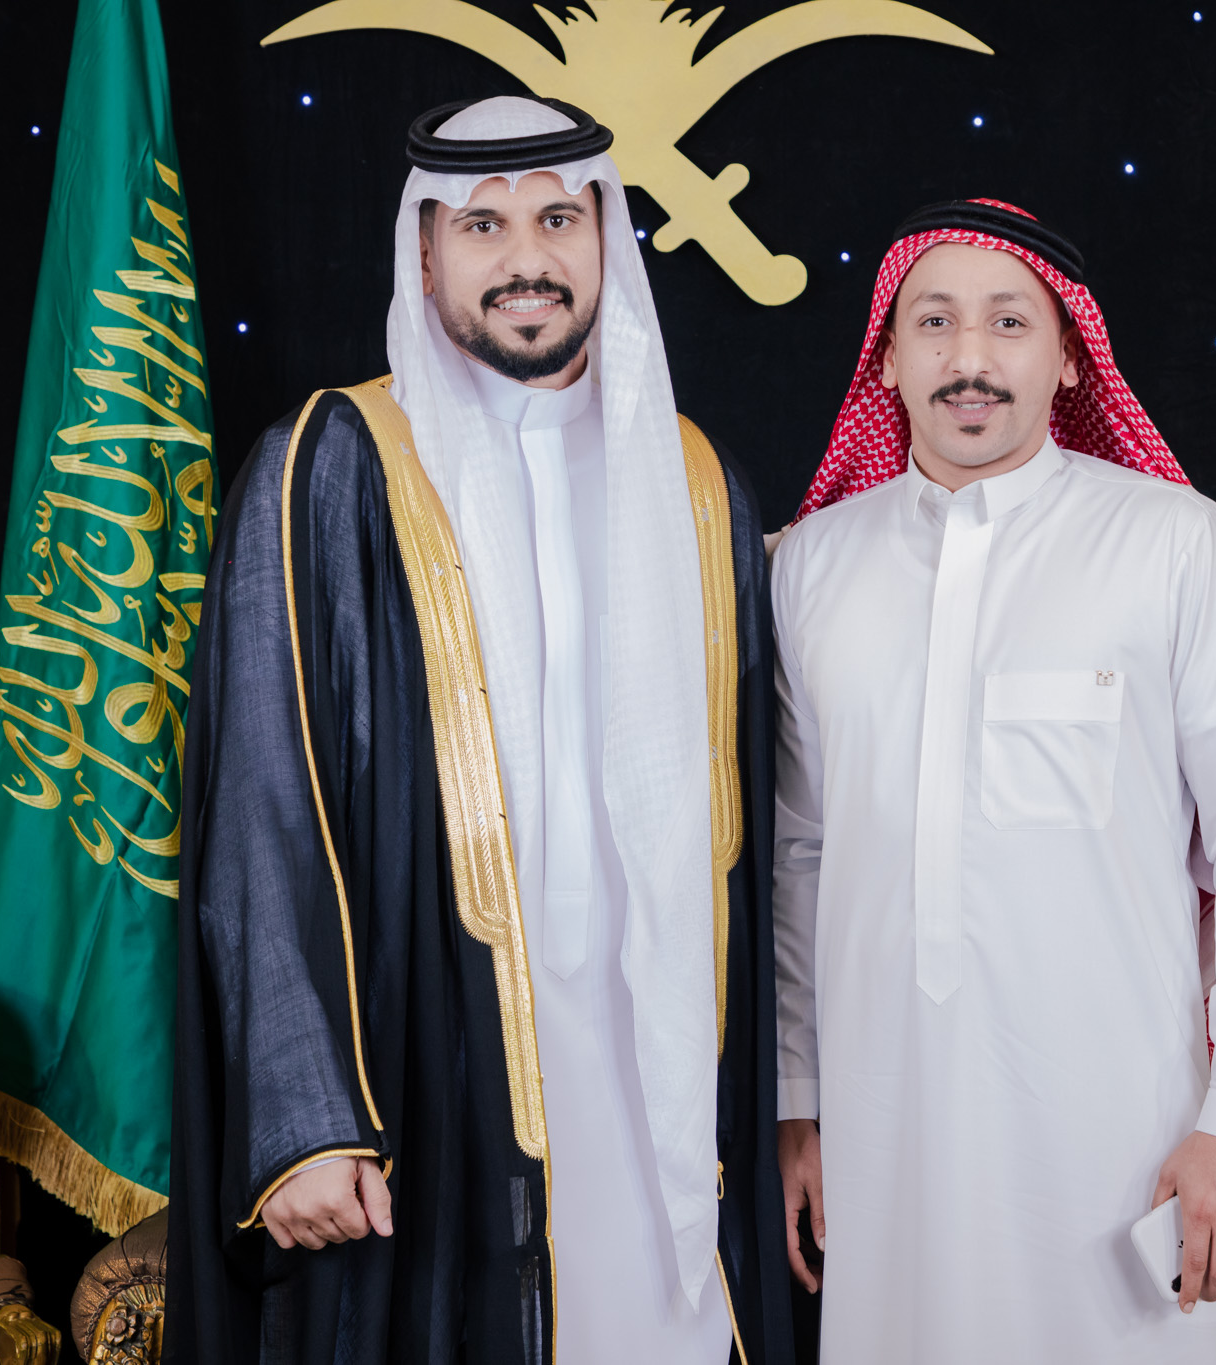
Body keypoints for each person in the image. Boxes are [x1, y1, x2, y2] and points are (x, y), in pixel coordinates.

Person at [167, 95, 790, 1365]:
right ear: (424, 252)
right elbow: (262, 801)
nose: (525, 260)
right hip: (425, 1046)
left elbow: (762, 823)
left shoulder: (692, 476)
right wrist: (305, 1113)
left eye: (559, 220)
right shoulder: (333, 460)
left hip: (661, 1056)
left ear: (605, 242)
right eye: (482, 225)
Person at [770, 198, 1216, 1363]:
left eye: (1008, 323)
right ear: (885, 358)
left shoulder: (1172, 544)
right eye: (933, 322)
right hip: (884, 1132)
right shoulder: (811, 565)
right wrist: (799, 1097)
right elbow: (800, 855)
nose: (968, 358)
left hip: (1120, 1144)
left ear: (1070, 356)